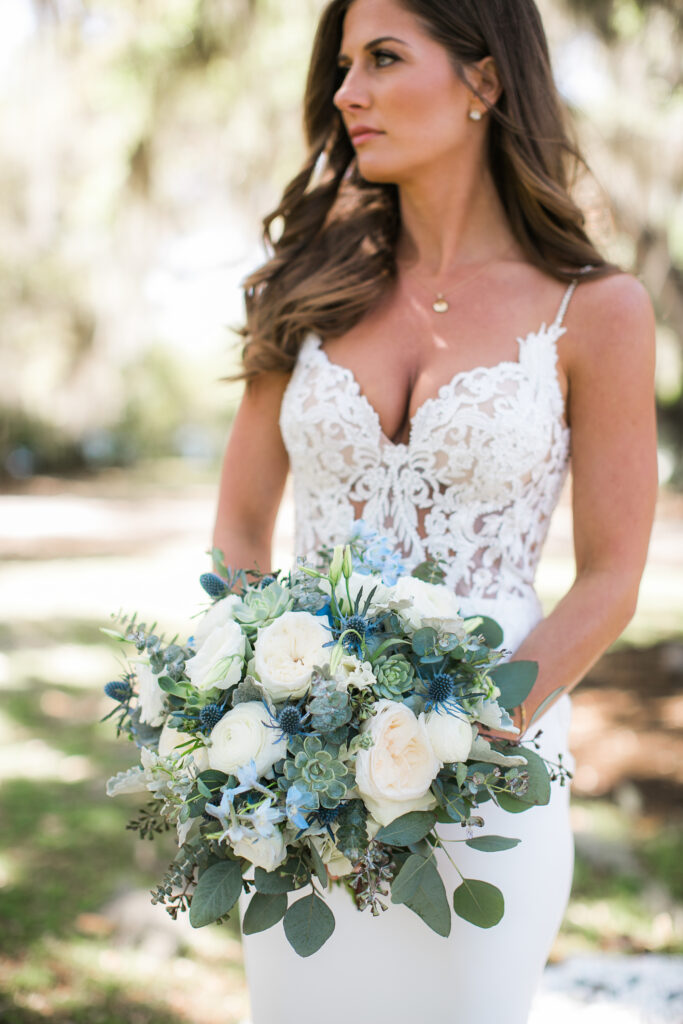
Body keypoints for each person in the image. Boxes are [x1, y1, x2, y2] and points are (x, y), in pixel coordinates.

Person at [211, 1, 657, 1021]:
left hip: (489, 767)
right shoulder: (304, 287)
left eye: (380, 59)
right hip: (300, 773)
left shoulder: (593, 310)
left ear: (484, 80)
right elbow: (239, 530)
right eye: (339, 65)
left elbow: (610, 576)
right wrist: (256, 710)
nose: (344, 92)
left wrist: (473, 734)